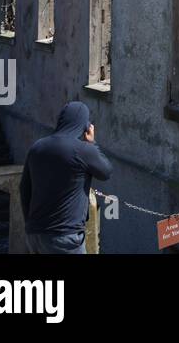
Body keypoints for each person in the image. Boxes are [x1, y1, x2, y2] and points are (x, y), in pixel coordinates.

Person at [19, 101, 112, 254]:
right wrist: (92, 143)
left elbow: (24, 189)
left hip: (35, 235)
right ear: (84, 125)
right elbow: (106, 171)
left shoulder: (37, 147)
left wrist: (30, 223)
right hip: (65, 238)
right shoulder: (82, 150)